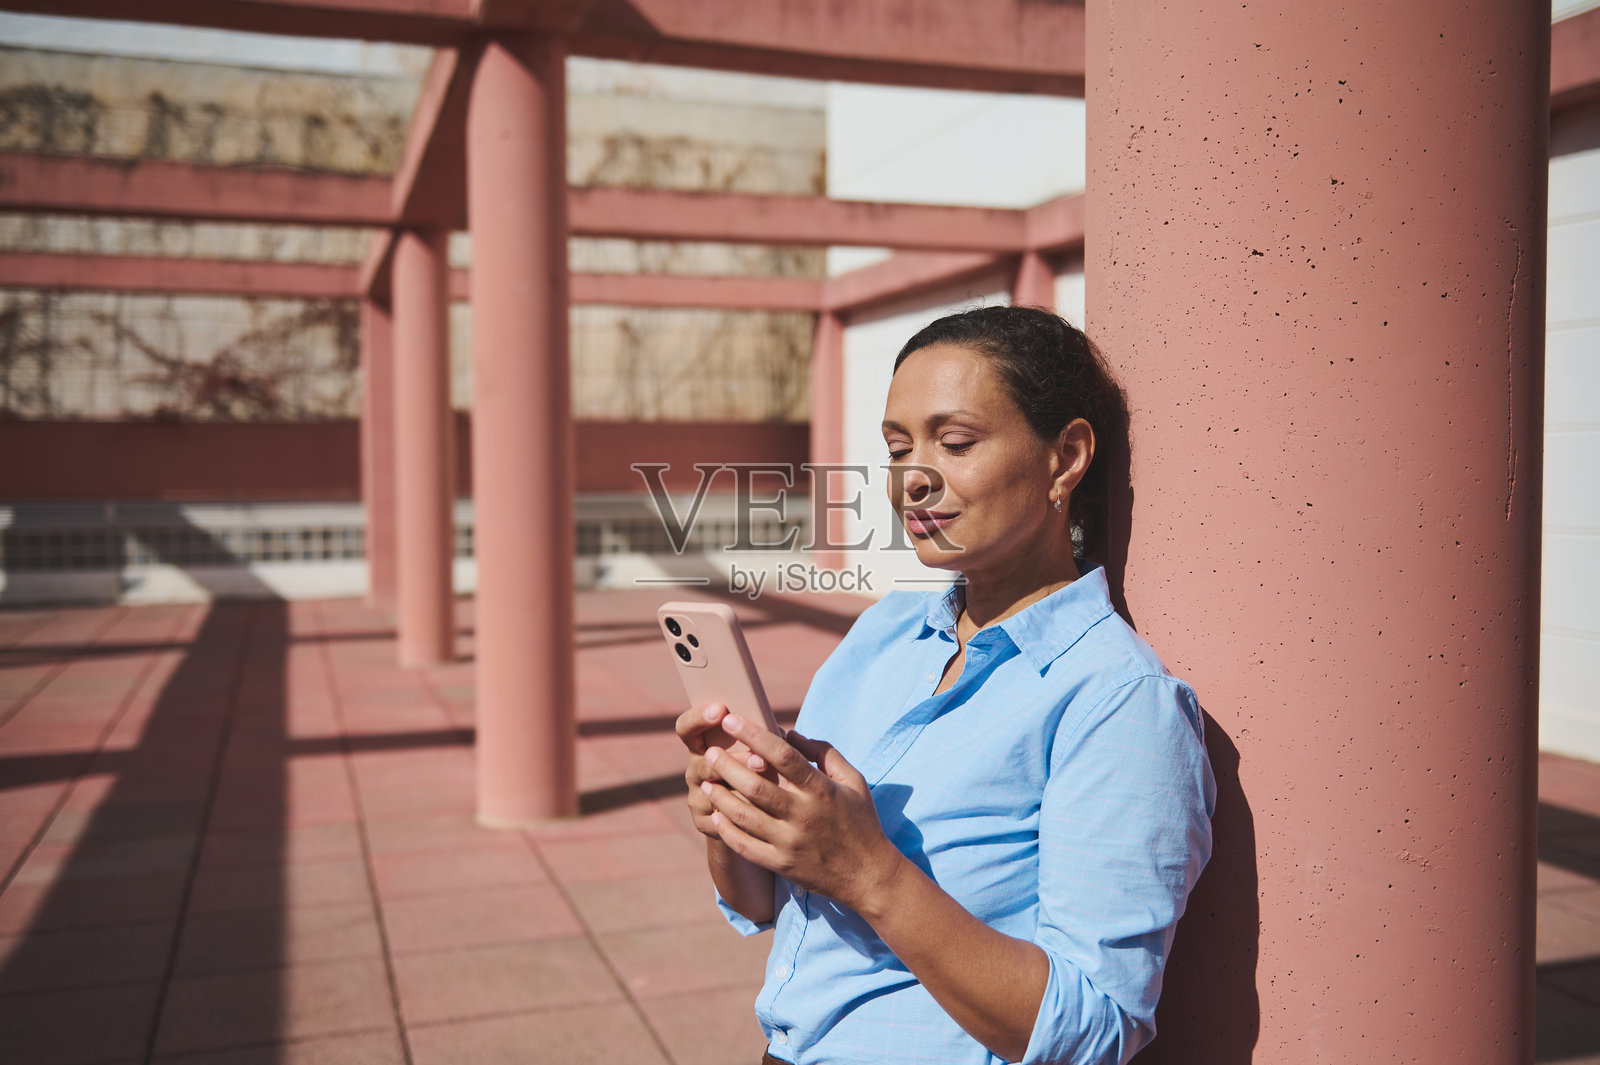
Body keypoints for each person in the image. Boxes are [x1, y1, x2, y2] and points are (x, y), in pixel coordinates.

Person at [675, 306, 1216, 1065]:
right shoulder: (883, 635)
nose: (915, 477)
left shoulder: (1117, 700)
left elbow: (1093, 1029)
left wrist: (868, 869)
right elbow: (764, 902)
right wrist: (734, 820)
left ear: (1066, 457)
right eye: (898, 448)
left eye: (955, 442)